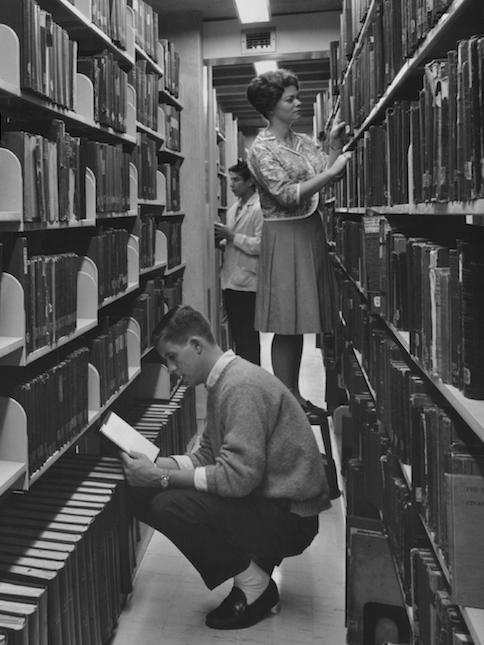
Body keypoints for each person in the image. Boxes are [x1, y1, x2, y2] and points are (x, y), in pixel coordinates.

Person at [119, 304, 330, 630]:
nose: (173, 369)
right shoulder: (223, 382)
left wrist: (161, 477)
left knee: (169, 504)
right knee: (143, 491)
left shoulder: (239, 387)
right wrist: (154, 465)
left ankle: (255, 587)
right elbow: (207, 455)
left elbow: (238, 478)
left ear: (197, 346)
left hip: (291, 517)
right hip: (271, 500)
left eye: (173, 357)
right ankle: (254, 570)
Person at [245, 68, 351, 421]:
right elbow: (287, 195)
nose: (297, 103)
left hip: (309, 230)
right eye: (290, 98)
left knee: (301, 318)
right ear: (272, 106)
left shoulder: (302, 142)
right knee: (285, 320)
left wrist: (333, 146)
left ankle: (295, 396)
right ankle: (286, 398)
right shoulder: (260, 149)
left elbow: (325, 167)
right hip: (285, 233)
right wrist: (330, 172)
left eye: (296, 96)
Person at [214, 160, 263, 365]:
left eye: (236, 180)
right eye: (230, 179)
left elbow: (261, 246)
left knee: (248, 340)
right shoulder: (235, 208)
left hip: (247, 284)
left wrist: (232, 236)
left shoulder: (260, 208)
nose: (232, 184)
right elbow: (236, 242)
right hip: (231, 282)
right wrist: (223, 242)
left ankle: (253, 383)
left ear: (250, 181)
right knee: (238, 338)